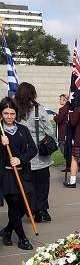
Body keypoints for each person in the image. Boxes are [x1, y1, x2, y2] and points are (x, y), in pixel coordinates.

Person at [12, 82, 54, 223]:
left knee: (28, 186)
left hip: (22, 154)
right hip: (40, 153)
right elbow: (49, 130)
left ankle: (35, 208)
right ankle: (41, 208)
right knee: (43, 184)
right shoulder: (38, 109)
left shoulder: (14, 110)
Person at [0, 97, 37, 250]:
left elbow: (33, 149)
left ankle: (7, 231)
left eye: (12, 113)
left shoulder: (22, 130)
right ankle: (22, 238)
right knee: (14, 206)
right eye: (6, 113)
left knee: (29, 203)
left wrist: (20, 159)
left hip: (23, 173)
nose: (9, 117)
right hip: (6, 175)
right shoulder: (0, 131)